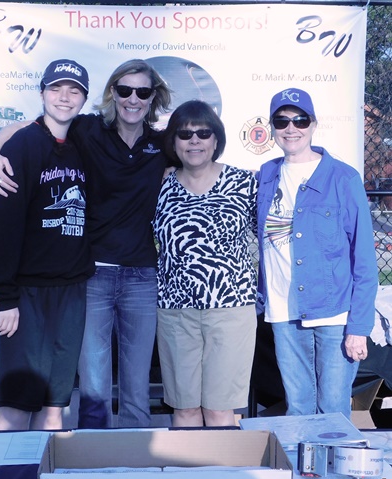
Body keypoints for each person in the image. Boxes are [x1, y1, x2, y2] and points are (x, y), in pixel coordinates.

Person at [0, 59, 172, 428]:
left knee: (136, 387)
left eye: (142, 92)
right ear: (112, 95)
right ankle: (93, 464)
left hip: (141, 276)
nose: (133, 99)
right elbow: (29, 128)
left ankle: (133, 466)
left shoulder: (162, 144)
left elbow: (200, 148)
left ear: (153, 97)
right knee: (94, 388)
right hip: (93, 275)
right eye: (124, 90)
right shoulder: (89, 131)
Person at [0, 59, 95, 430]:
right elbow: (0, 228)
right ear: (42, 93)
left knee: (55, 405)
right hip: (23, 295)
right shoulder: (21, 147)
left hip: (69, 291)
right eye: (56, 89)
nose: (64, 97)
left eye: (74, 91)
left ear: (84, 98)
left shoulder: (83, 143)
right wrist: (5, 297)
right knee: (16, 405)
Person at [256, 87, 378, 419]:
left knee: (333, 410)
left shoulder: (343, 179)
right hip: (283, 312)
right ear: (272, 128)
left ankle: (332, 472)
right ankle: (303, 472)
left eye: (300, 120)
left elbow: (365, 260)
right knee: (298, 407)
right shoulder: (265, 176)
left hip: (335, 315)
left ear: (313, 124)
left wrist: (359, 326)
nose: (291, 128)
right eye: (282, 121)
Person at [152, 100, 258, 427]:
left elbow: (273, 239)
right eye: (184, 134)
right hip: (174, 311)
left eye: (203, 132)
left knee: (219, 410)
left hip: (231, 310)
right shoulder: (159, 187)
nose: (194, 140)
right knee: (183, 409)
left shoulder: (247, 184)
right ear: (173, 142)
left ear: (216, 139)